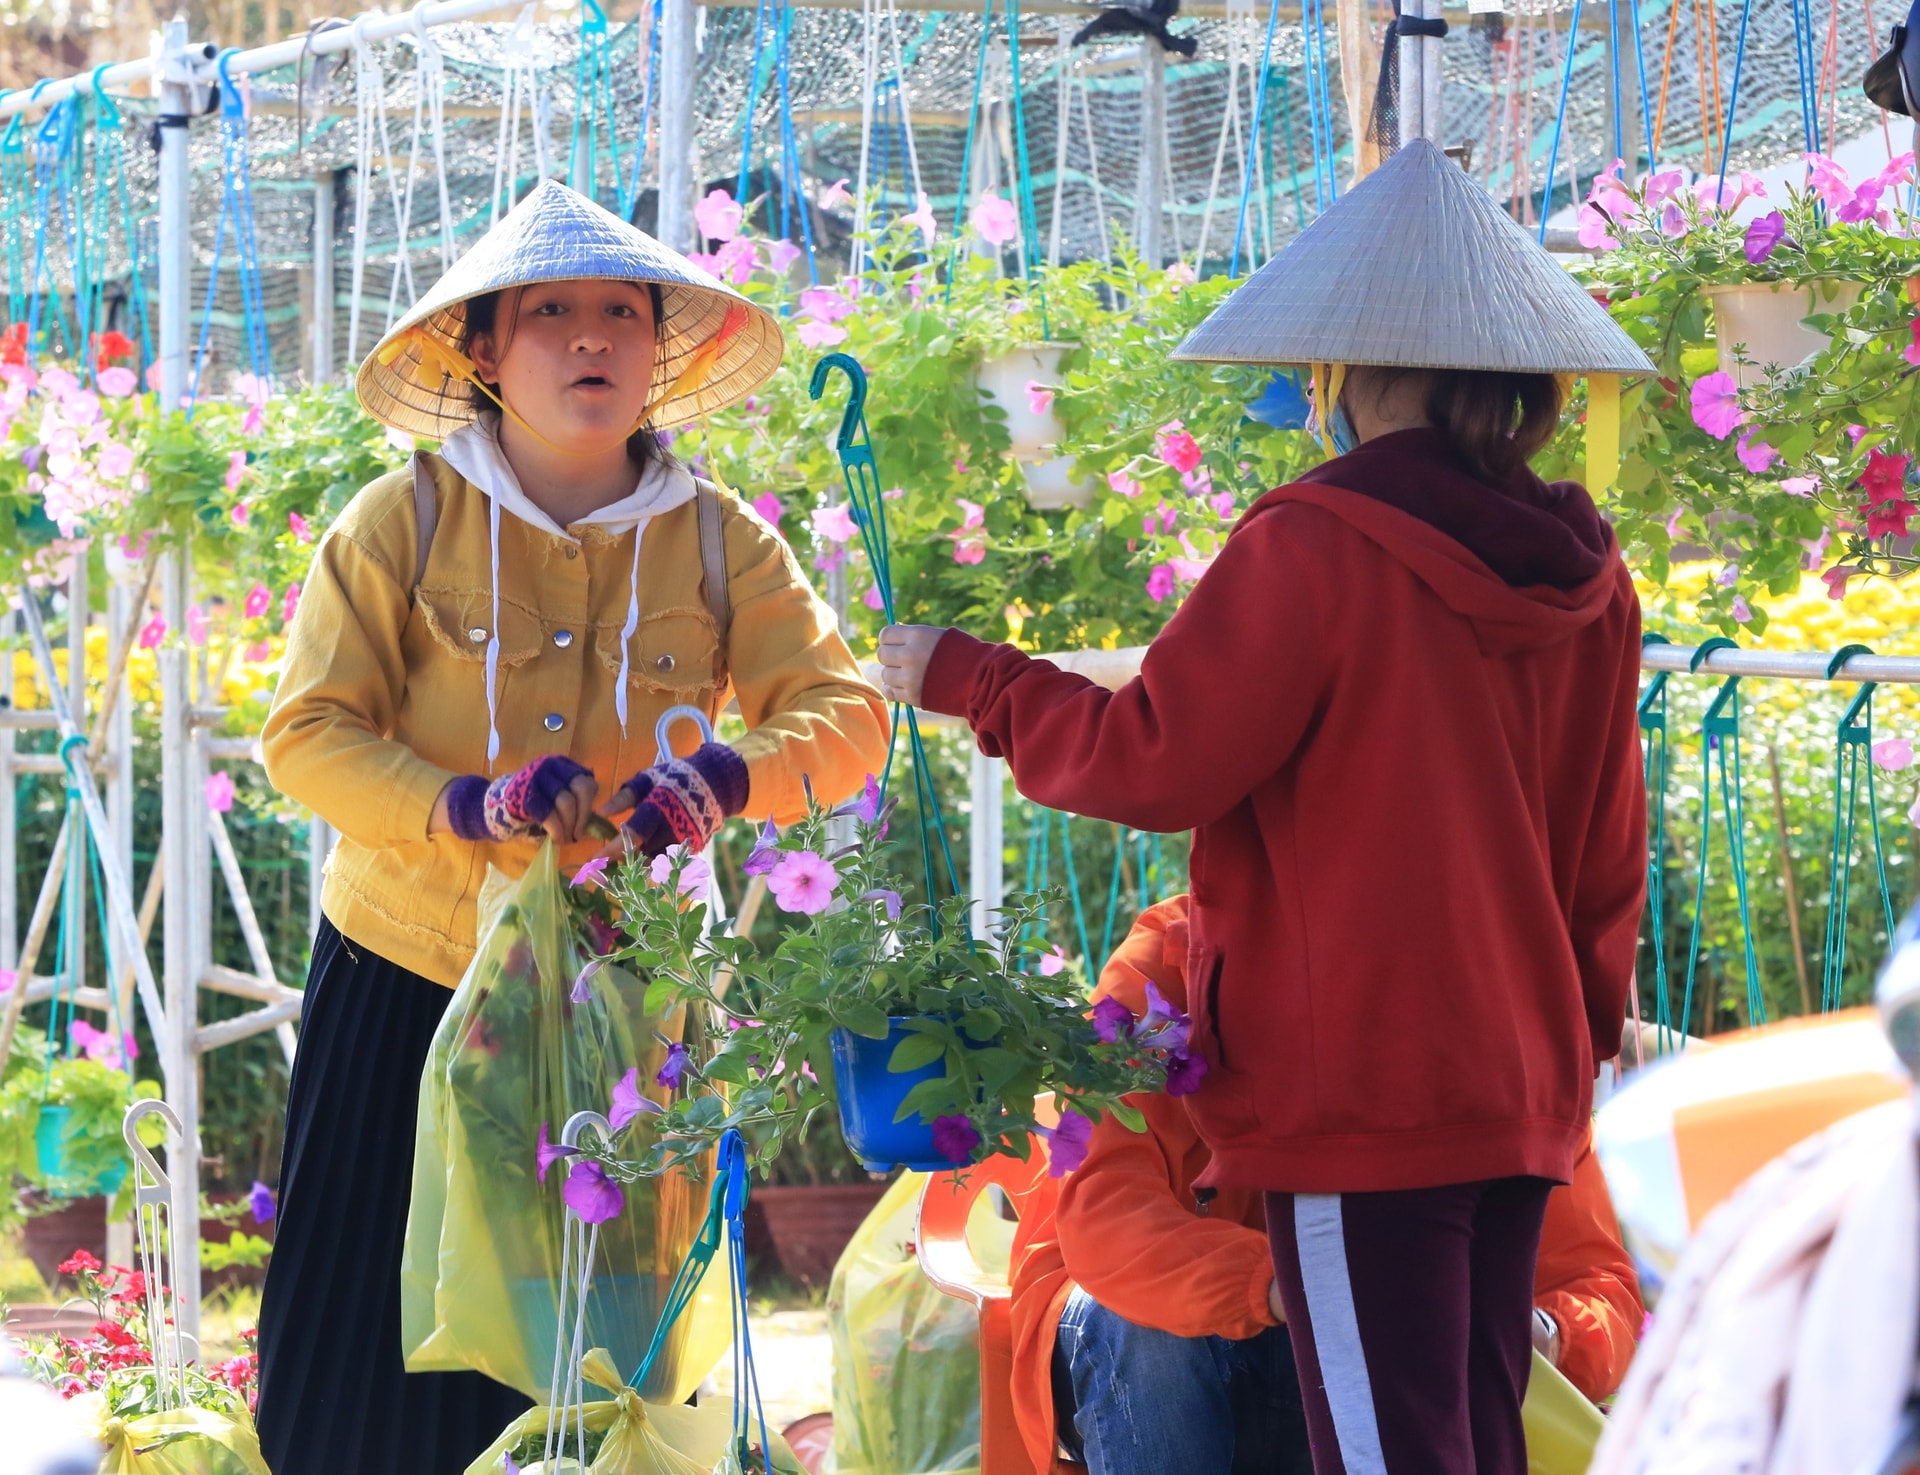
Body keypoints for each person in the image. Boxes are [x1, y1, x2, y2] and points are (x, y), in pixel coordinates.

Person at [879, 139, 1656, 1473]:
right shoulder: (1590, 574)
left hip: (1363, 1092)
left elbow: (1154, 754)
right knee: (1469, 1436)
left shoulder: (1314, 545)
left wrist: (979, 680)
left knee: (1384, 1447)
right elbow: (1606, 855)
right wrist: (1569, 1052)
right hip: (1519, 1094)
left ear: (1346, 368)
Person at [256, 181, 889, 1475]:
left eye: (620, 312)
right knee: (361, 1347)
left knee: (592, 1354)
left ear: (663, 349)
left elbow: (847, 714)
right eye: (551, 312)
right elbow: (306, 730)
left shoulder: (722, 544)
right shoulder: (400, 520)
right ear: (481, 351)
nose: (591, 338)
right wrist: (459, 804)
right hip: (408, 977)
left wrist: (722, 777)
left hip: (617, 996)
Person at [1009, 897, 1644, 1475]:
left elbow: (1599, 1289)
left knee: (1392, 1357)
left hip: (1362, 1355)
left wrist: (1541, 1331)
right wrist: (1297, 1285)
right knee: (1147, 1333)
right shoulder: (1164, 970)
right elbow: (1105, 1219)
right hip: (1156, 1337)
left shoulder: (1493, 1020)